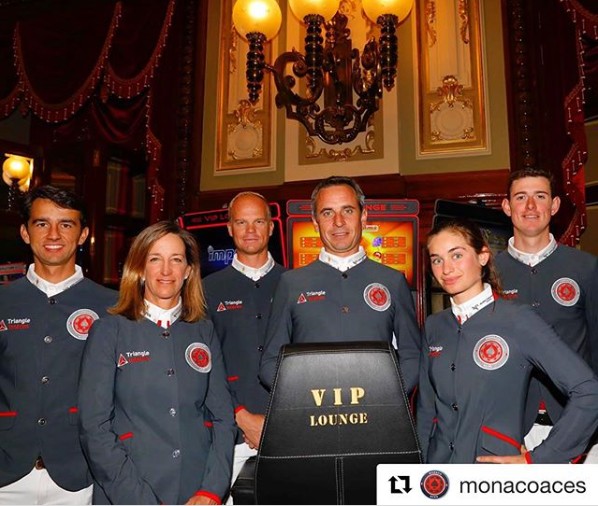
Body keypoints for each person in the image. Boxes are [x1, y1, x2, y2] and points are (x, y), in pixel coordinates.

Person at [78, 221, 235, 505]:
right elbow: (94, 428)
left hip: (196, 491)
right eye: (155, 259)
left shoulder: (203, 330)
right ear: (139, 268)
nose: (166, 270)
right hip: (128, 490)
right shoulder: (109, 331)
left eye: (176, 260)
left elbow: (224, 418)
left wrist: (211, 490)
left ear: (188, 271)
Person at [418, 218, 598, 463]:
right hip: (440, 473)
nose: (446, 269)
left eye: (457, 255)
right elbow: (428, 409)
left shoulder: (518, 320)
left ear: (482, 256)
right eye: (437, 259)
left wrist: (538, 459)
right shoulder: (434, 326)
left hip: (493, 475)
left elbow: (588, 391)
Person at [0, 185, 116, 505]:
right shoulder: (3, 301)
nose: (54, 234)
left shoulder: (113, 307)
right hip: (6, 474)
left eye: (66, 224)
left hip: (79, 474)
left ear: (83, 235)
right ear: (25, 232)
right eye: (42, 223)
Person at [259, 176, 421, 394]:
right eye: (327, 213)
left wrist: (388, 399)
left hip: (378, 419)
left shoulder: (393, 281)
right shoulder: (290, 284)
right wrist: (307, 399)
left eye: (348, 210)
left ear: (363, 217)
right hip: (311, 419)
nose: (338, 222)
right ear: (315, 223)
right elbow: (269, 364)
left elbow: (412, 356)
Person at [496, 168, 598, 462]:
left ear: (553, 206)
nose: (530, 206)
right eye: (520, 197)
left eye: (539, 196)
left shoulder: (586, 268)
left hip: (578, 425)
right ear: (507, 206)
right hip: (513, 427)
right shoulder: (488, 274)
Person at [203, 192, 285, 496]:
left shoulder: (296, 284)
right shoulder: (205, 290)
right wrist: (242, 417)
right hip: (228, 435)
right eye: (241, 222)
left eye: (258, 221)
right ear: (229, 228)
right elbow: (202, 367)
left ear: (271, 227)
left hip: (288, 432)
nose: (250, 230)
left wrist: (277, 421)